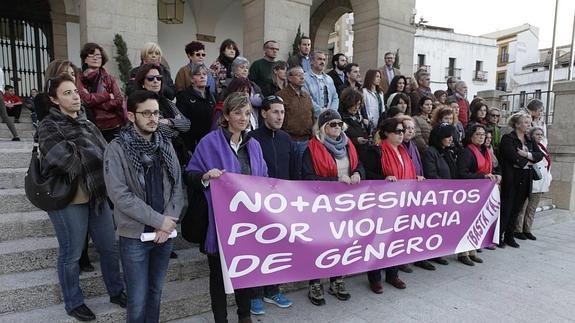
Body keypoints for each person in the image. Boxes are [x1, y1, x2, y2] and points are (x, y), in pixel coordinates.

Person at [38, 74, 125, 321]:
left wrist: (92, 154)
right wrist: (92, 154)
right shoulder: (48, 126)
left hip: (96, 194)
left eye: (75, 91)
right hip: (68, 198)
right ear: (54, 100)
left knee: (109, 247)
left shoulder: (87, 124)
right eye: (67, 93)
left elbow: (107, 156)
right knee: (71, 252)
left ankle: (116, 291)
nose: (75, 96)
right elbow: (65, 160)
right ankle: (73, 302)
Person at [185, 92, 268, 323]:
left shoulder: (254, 145)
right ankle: (220, 320)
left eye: (248, 113)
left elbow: (264, 178)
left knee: (245, 272)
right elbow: (189, 175)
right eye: (238, 112)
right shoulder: (209, 142)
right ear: (227, 115)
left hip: (248, 223)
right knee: (219, 278)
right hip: (219, 223)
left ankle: (245, 316)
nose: (243, 117)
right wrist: (205, 176)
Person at [103, 90, 184, 322]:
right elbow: (120, 195)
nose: (153, 118)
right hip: (135, 236)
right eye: (146, 113)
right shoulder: (117, 148)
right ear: (131, 116)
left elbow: (178, 187)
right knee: (137, 300)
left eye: (156, 113)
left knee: (155, 294)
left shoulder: (165, 144)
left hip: (164, 235)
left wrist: (167, 222)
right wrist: (160, 221)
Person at [302, 109, 364, 305]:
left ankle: (337, 279)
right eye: (332, 124)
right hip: (322, 205)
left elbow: (358, 165)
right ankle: (315, 283)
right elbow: (307, 178)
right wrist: (335, 179)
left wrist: (358, 174)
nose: (337, 127)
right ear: (322, 127)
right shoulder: (311, 148)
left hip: (345, 204)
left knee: (341, 242)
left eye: (339, 124)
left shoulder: (348, 145)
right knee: (320, 244)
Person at [247, 96, 294, 315]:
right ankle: (254, 294)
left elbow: (294, 172)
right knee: (257, 249)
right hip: (258, 203)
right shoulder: (251, 138)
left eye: (282, 112)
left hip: (283, 203)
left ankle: (273, 290)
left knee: (277, 248)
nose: (279, 116)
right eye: (275, 112)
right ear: (264, 113)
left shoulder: (286, 138)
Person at [363, 117, 419, 286]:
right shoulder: (376, 151)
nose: (402, 134)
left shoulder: (403, 152)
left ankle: (392, 274)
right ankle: (374, 278)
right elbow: (368, 174)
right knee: (378, 240)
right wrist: (384, 178)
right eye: (397, 131)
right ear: (386, 133)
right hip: (381, 204)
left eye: (403, 131)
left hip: (400, 202)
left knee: (396, 239)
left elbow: (407, 173)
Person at [498, 112, 543, 248]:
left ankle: (509, 236)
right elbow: (511, 155)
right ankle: (498, 236)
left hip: (526, 178)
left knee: (517, 209)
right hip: (512, 178)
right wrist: (528, 161)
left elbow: (539, 155)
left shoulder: (530, 139)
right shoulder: (508, 138)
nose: (528, 125)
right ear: (517, 124)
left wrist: (526, 154)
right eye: (525, 122)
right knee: (507, 208)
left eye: (529, 122)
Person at [457, 124, 501, 257]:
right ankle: (463, 253)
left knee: (477, 222)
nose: (481, 137)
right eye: (478, 134)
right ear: (471, 136)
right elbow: (462, 174)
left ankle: (472, 250)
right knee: (467, 222)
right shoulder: (467, 152)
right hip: (469, 192)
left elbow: (490, 170)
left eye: (483, 134)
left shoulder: (486, 151)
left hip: (483, 193)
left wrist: (495, 175)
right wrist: (483, 176)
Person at [136, 63, 191, 165]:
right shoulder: (142, 104)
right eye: (150, 78)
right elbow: (158, 128)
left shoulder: (167, 102)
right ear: (142, 83)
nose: (156, 81)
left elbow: (187, 124)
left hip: (179, 153)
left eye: (158, 78)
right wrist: (177, 125)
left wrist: (169, 121)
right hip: (158, 156)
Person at [421, 123, 458, 267]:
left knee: (440, 228)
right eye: (447, 136)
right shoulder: (431, 152)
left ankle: (436, 253)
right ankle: (422, 257)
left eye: (451, 136)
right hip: (435, 195)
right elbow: (431, 174)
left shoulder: (446, 151)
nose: (450, 139)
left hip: (446, 195)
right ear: (439, 137)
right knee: (429, 228)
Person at [77, 42, 125, 142]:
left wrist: (95, 102)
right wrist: (107, 96)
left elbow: (119, 100)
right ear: (85, 59)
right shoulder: (79, 78)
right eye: (91, 55)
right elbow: (86, 100)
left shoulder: (109, 79)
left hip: (113, 125)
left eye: (98, 55)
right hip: (91, 126)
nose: (95, 58)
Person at [276, 66, 314, 179]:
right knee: (289, 170)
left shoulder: (306, 96)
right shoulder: (281, 95)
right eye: (298, 75)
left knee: (304, 171)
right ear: (290, 78)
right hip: (288, 140)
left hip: (305, 140)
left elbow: (312, 115)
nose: (302, 77)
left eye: (303, 75)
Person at [515, 127, 551, 241]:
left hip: (540, 183)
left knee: (531, 209)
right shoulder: (528, 146)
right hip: (529, 181)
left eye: (541, 134)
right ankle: (518, 230)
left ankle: (527, 229)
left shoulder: (542, 148)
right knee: (523, 207)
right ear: (531, 135)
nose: (539, 136)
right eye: (537, 134)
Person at [176, 64, 216, 154]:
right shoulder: (184, 97)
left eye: (204, 74)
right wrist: (187, 148)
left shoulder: (212, 96)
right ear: (191, 79)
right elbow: (182, 124)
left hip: (210, 143)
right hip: (193, 145)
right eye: (198, 74)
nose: (202, 76)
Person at [303, 50, 339, 118]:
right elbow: (307, 99)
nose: (322, 62)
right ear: (312, 61)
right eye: (319, 59)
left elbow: (335, 97)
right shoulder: (305, 78)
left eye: (324, 60)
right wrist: (322, 113)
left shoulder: (329, 79)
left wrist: (332, 112)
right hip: (313, 118)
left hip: (329, 118)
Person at [339, 88, 372, 159]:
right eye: (354, 105)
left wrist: (368, 126)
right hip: (351, 154)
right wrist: (356, 141)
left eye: (359, 104)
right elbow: (340, 139)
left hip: (365, 152)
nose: (356, 108)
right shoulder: (341, 119)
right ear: (348, 103)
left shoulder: (360, 116)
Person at [0, 68, 20, 140]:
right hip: (1, 94)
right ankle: (16, 135)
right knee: (5, 116)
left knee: (5, 116)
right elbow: (2, 84)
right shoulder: (0, 70)